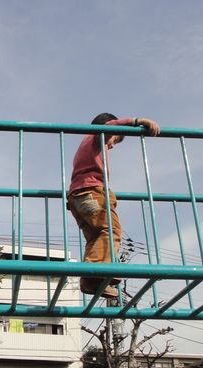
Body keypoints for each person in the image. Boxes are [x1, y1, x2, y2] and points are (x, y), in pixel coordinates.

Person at [68, 112, 160, 298]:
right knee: (111, 231)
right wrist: (138, 121)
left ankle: (90, 281)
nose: (112, 145)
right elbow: (110, 126)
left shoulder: (86, 144)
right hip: (91, 192)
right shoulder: (97, 137)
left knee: (96, 237)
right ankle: (98, 272)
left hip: (77, 197)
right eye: (115, 140)